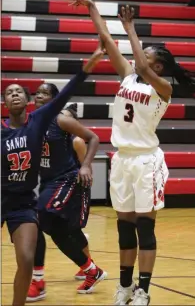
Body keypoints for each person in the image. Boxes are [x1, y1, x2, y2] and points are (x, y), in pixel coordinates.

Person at [67, 0, 195, 306]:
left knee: (145, 228)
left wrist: (132, 29)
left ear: (158, 65)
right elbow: (107, 40)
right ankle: (125, 287)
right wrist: (93, 8)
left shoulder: (162, 88)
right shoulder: (128, 76)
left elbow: (141, 63)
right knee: (124, 227)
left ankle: (143, 292)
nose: (139, 57)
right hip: (122, 160)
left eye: (146, 55)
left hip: (146, 162)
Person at [1, 45, 105, 306]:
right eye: (8, 93)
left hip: (42, 192)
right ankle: (89, 267)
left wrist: (91, 63)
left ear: (27, 100)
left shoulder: (46, 119)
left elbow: (69, 95)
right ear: (4, 102)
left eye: (19, 92)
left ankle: (35, 284)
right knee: (56, 228)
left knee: (32, 241)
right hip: (23, 190)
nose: (14, 95)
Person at [26, 93, 105, 301]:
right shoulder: (32, 124)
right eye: (38, 92)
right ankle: (91, 270)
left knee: (37, 220)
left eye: (46, 93)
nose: (41, 95)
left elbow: (92, 140)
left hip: (69, 181)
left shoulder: (63, 125)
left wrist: (87, 167)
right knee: (60, 232)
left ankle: (38, 280)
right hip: (48, 183)